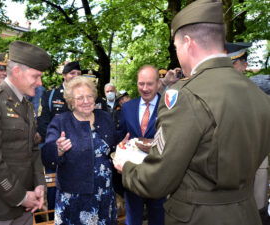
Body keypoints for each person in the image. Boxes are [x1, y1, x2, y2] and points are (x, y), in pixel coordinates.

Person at [113, 0, 270, 224]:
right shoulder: (259, 96)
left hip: (198, 216)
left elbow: (158, 180)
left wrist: (125, 167)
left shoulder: (185, 95)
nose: (177, 54)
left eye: (176, 48)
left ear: (187, 43)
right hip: (246, 213)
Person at [0, 40, 50, 225]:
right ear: (16, 72)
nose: (40, 83)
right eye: (36, 76)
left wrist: (39, 184)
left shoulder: (27, 106)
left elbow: (33, 149)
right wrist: (20, 196)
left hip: (26, 202)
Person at [42, 76, 118, 224]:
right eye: (80, 97)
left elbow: (114, 145)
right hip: (74, 198)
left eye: (89, 96)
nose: (86, 101)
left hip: (104, 194)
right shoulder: (61, 121)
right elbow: (47, 155)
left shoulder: (105, 117)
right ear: (71, 101)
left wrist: (124, 146)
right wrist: (58, 149)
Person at [226, 42, 270, 223]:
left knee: (256, 208)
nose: (245, 66)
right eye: (242, 63)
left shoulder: (256, 87)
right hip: (230, 166)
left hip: (254, 159)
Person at [117, 65, 165, 225]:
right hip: (133, 175)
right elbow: (121, 135)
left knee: (158, 217)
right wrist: (121, 143)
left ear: (158, 84)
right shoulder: (127, 108)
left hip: (158, 173)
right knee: (133, 218)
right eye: (141, 83)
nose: (145, 88)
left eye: (149, 84)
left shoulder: (168, 107)